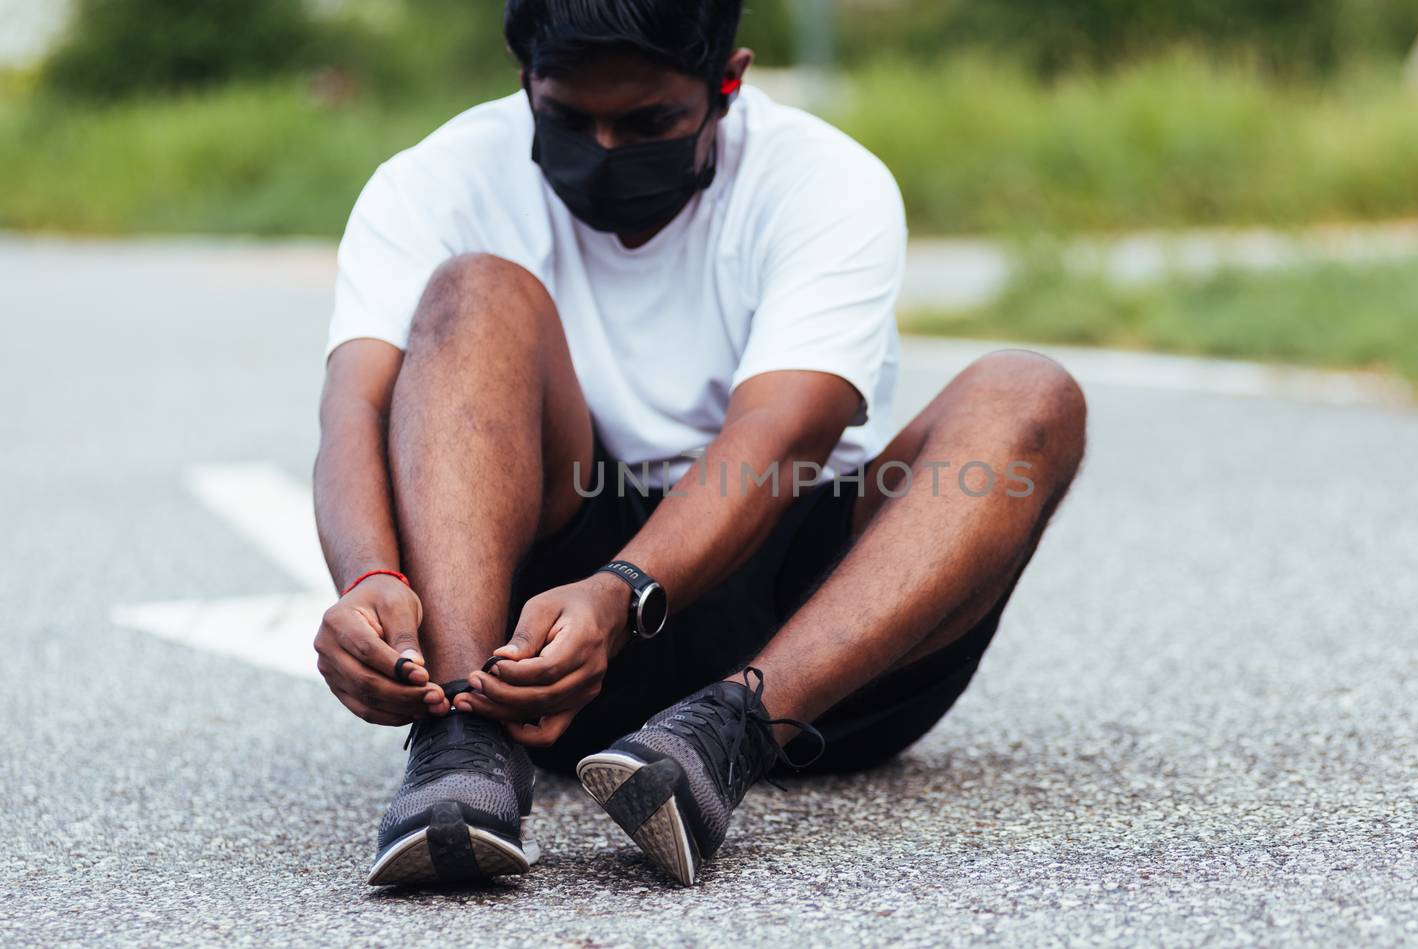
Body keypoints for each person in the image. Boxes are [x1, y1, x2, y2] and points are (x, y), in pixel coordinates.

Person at [313, 0, 1086, 888]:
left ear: (730, 82)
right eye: (567, 117)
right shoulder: (438, 178)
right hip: (544, 660)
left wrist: (623, 592)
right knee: (473, 291)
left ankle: (723, 737)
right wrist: (370, 581)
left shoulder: (826, 179)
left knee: (1030, 391)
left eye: (648, 123)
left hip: (812, 639)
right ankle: (462, 744)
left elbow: (781, 430)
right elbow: (352, 409)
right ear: (524, 79)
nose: (603, 148)